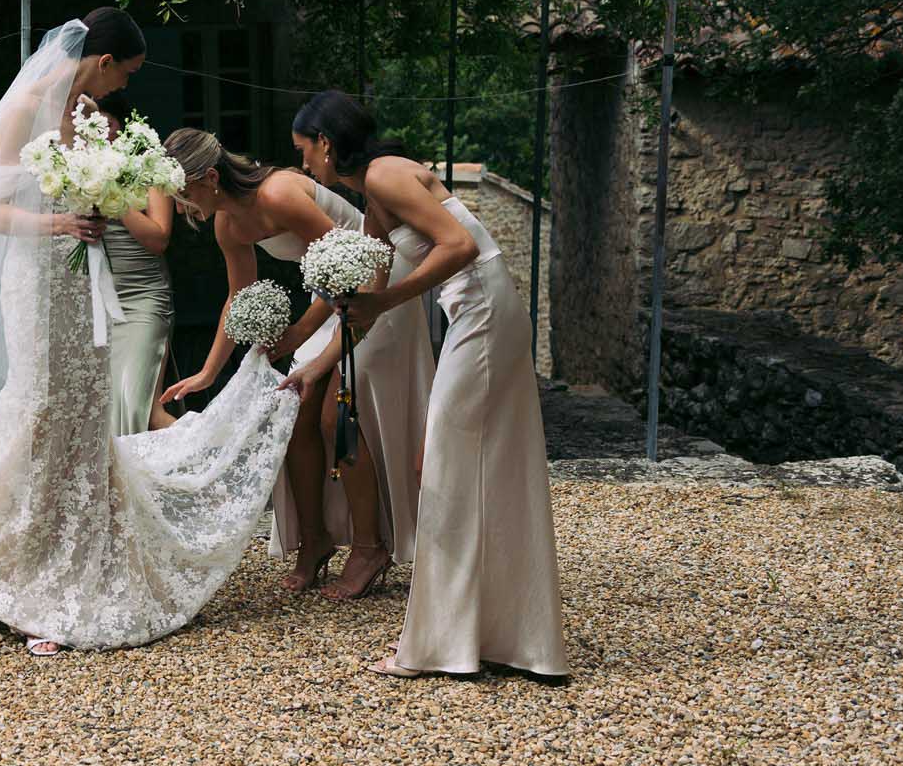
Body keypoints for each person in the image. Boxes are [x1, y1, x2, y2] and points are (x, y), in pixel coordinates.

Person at [0, 8, 302, 656]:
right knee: (40, 407)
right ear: (101, 60)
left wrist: (102, 197)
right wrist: (61, 224)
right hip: (38, 280)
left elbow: (134, 215)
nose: (124, 86)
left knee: (86, 411)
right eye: (125, 73)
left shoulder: (94, 118)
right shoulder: (24, 108)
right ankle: (23, 563)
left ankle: (81, 558)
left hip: (84, 282)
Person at [288, 90, 568, 680]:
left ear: (327, 144)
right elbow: (373, 282)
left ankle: (445, 642)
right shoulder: (375, 195)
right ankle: (495, 634)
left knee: (442, 462)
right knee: (470, 465)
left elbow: (460, 247)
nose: (305, 166)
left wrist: (386, 298)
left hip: (483, 312)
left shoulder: (386, 175)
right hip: (476, 313)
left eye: (305, 152)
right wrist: (318, 361)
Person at [161, 128, 433, 599]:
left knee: (334, 416)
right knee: (293, 414)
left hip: (372, 290)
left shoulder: (281, 192)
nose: (181, 206)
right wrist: (207, 373)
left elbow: (351, 263)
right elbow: (236, 297)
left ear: (209, 177)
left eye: (184, 193)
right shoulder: (229, 224)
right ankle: (315, 541)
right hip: (329, 297)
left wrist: (298, 334)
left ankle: (370, 547)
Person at [94, 94, 177, 437]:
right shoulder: (73, 170)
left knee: (135, 405)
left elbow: (159, 238)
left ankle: (216, 465)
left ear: (122, 123)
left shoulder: (149, 167)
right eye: (91, 127)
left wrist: (111, 196)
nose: (100, 135)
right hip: (99, 304)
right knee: (114, 408)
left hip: (144, 297)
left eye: (107, 124)